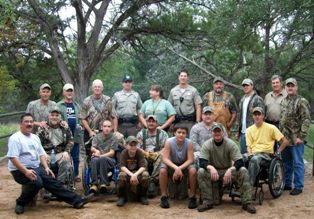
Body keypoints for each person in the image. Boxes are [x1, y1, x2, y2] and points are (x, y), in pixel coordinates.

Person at [6, 113, 93, 215]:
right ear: (21, 124)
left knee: (52, 181)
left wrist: (46, 167)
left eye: (31, 121)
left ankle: (77, 201)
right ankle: (20, 203)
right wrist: (25, 171)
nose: (29, 124)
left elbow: (42, 154)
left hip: (35, 167)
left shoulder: (34, 137)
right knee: (37, 182)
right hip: (19, 170)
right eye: (26, 122)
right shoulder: (16, 138)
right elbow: (13, 158)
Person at [197, 123, 256, 214]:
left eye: (219, 131)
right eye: (215, 131)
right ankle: (207, 201)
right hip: (214, 172)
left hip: (228, 171)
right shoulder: (207, 144)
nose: (217, 133)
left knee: (243, 170)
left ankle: (247, 202)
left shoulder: (230, 143)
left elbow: (239, 161)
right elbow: (202, 162)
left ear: (223, 133)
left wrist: (231, 169)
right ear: (212, 133)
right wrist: (211, 168)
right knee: (201, 171)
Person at [280, 78, 311, 195]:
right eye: (288, 86)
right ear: (285, 88)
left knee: (297, 162)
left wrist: (301, 137)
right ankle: (287, 183)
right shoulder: (283, 101)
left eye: (292, 86)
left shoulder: (301, 101)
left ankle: (298, 185)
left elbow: (306, 120)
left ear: (296, 87)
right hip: (285, 139)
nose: (290, 88)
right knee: (286, 162)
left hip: (296, 138)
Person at [246, 107, 289, 186]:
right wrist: (249, 154)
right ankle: (237, 184)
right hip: (254, 153)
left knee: (255, 159)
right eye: (255, 114)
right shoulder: (249, 130)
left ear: (263, 116)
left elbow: (285, 141)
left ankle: (249, 187)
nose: (257, 116)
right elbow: (248, 146)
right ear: (252, 116)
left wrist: (278, 152)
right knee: (239, 158)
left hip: (266, 155)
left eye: (259, 114)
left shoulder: (271, 128)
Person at [159, 124, 197, 209]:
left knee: (193, 170)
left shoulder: (189, 143)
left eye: (183, 133)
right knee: (162, 170)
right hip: (172, 163)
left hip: (184, 163)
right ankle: (164, 196)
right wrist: (176, 168)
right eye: (179, 132)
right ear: (174, 133)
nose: (181, 134)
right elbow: (165, 158)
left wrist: (179, 168)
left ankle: (192, 197)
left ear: (186, 134)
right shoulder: (169, 142)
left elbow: (190, 159)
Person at [36, 108, 74, 189]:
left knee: (66, 160)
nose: (54, 117)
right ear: (48, 116)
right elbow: (37, 144)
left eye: (57, 115)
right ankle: (48, 187)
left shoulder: (65, 127)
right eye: (52, 115)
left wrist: (67, 151)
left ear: (60, 117)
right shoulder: (43, 128)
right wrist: (43, 153)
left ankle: (60, 184)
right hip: (47, 153)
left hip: (60, 152)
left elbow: (70, 141)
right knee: (43, 161)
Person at [136, 115, 168, 197]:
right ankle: (145, 179)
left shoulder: (163, 134)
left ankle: (153, 180)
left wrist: (158, 153)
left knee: (162, 157)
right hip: (144, 154)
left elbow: (166, 147)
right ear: (146, 123)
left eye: (153, 121)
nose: (151, 123)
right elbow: (137, 147)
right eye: (149, 121)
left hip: (157, 155)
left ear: (157, 123)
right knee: (140, 157)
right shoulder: (140, 134)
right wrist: (145, 153)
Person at [80, 79, 118, 148]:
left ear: (102, 88)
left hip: (104, 132)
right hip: (90, 132)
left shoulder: (108, 100)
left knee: (105, 153)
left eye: (99, 87)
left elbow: (114, 116)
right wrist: (89, 131)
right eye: (95, 87)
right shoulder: (86, 101)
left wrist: (114, 131)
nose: (97, 88)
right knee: (89, 153)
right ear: (92, 88)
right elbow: (83, 118)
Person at [57, 83, 82, 182]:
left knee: (75, 156)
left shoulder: (76, 105)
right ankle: (62, 175)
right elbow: (54, 118)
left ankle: (75, 175)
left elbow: (79, 118)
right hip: (63, 136)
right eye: (67, 91)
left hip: (75, 134)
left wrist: (80, 124)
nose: (69, 93)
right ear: (64, 92)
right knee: (63, 155)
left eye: (71, 91)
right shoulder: (58, 105)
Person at [117, 136, 149, 206]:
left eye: (135, 145)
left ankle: (143, 196)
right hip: (128, 173)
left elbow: (143, 166)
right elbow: (122, 166)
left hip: (137, 173)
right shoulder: (124, 153)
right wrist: (132, 175)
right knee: (121, 175)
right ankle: (122, 197)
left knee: (145, 175)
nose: (133, 147)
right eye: (131, 145)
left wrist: (135, 175)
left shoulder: (139, 152)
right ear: (126, 145)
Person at [168, 69, 202, 134]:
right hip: (177, 122)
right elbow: (169, 107)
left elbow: (198, 107)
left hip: (189, 122)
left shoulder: (193, 90)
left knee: (190, 141)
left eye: (185, 76)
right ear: (178, 77)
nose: (183, 78)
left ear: (188, 78)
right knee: (177, 141)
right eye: (181, 76)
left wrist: (198, 122)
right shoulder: (173, 91)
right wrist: (170, 122)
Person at [236, 78, 264, 154]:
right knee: (244, 156)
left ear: (252, 86)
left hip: (254, 132)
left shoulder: (257, 99)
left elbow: (261, 116)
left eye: (247, 85)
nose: (245, 87)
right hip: (243, 132)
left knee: (253, 155)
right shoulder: (242, 100)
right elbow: (240, 116)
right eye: (244, 86)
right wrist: (237, 131)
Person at [89, 120, 118, 194]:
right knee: (94, 160)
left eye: (109, 126)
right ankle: (94, 184)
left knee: (102, 158)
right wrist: (96, 151)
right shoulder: (97, 137)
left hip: (110, 160)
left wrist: (100, 156)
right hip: (98, 158)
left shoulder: (114, 138)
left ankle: (103, 183)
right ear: (101, 127)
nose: (107, 128)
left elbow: (112, 153)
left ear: (111, 128)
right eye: (105, 126)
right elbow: (92, 148)